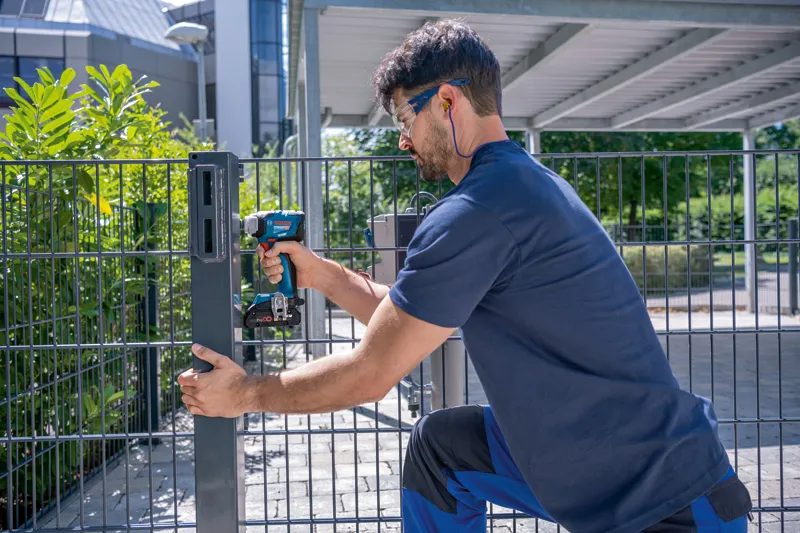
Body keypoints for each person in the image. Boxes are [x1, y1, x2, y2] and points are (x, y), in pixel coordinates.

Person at [178, 19, 753, 533]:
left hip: (666, 504)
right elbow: (408, 323)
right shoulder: (523, 186)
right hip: (596, 461)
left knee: (439, 444)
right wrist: (324, 276)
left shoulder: (478, 210)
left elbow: (371, 373)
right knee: (441, 450)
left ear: (448, 101)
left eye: (406, 117)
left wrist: (246, 394)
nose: (403, 140)